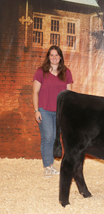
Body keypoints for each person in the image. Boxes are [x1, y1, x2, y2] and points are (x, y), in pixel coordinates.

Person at [33, 45, 73, 178]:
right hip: (44, 109)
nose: (54, 57)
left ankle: (51, 165)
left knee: (55, 138)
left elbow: (69, 94)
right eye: (52, 55)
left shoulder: (66, 72)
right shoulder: (41, 72)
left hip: (60, 112)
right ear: (48, 57)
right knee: (47, 137)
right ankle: (47, 167)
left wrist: (68, 112)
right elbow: (35, 92)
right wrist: (36, 110)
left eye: (57, 55)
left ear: (60, 57)